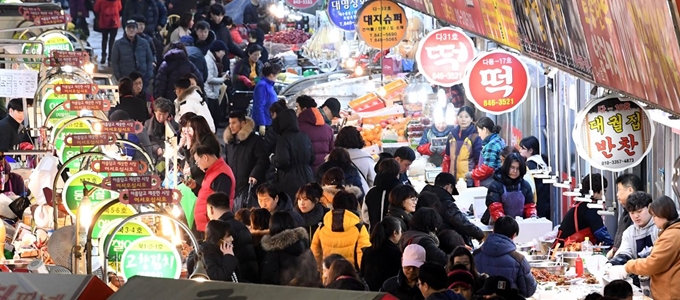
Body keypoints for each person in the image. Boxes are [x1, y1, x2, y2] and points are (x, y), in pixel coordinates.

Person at [474, 216, 537, 297]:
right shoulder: (519, 260)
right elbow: (528, 291)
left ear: (493, 231)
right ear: (513, 235)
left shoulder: (475, 254)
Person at [311, 191, 371, 271]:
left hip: (328, 275)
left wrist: (321, 271)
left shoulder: (322, 227)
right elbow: (363, 255)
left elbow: (315, 251)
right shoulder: (359, 228)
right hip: (351, 276)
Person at [206, 193, 258, 283]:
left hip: (237, 280)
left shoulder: (221, 231)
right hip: (250, 275)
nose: (231, 239)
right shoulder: (241, 225)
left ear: (211, 209)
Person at [422, 172, 484, 246]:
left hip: (431, 240)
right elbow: (462, 223)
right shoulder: (446, 203)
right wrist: (480, 234)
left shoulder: (425, 197)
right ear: (448, 186)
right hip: (447, 242)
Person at [223, 111, 269, 210]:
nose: (231, 126)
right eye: (230, 123)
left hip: (250, 188)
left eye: (234, 123)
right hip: (234, 188)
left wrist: (255, 174)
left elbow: (262, 160)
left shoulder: (255, 140)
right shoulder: (230, 143)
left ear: (243, 123)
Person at [260, 212, 320, 285]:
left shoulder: (274, 252)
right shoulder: (304, 245)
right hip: (310, 291)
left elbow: (269, 279)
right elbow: (314, 272)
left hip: (284, 294)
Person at [555, 174, 614, 246]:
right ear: (594, 193)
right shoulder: (590, 207)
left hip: (561, 245)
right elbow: (600, 233)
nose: (604, 195)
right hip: (569, 247)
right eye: (603, 191)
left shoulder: (580, 203)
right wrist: (613, 246)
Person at [271, 109, 315, 200]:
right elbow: (312, 158)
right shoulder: (305, 136)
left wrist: (272, 158)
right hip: (307, 175)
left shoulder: (283, 139)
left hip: (289, 179)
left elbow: (282, 161)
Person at [482, 153, 536, 225]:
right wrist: (506, 225)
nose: (515, 171)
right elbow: (495, 209)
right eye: (512, 167)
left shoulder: (525, 185)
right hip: (499, 226)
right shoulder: (496, 186)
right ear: (506, 167)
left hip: (521, 226)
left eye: (518, 168)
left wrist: (532, 217)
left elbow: (530, 206)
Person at [193, 144, 236, 232]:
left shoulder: (221, 174)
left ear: (205, 157)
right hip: (206, 225)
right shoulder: (212, 172)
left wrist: (215, 230)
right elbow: (207, 195)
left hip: (212, 228)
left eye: (197, 162)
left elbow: (220, 205)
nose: (197, 165)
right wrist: (195, 187)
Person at [610, 192, 658, 266]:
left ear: (650, 208)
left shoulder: (659, 227)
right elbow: (624, 253)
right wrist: (611, 264)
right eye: (632, 213)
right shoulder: (629, 233)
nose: (636, 216)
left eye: (639, 211)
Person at [441, 106, 482, 186]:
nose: (463, 120)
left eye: (466, 117)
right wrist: (445, 177)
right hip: (452, 180)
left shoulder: (476, 136)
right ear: (457, 118)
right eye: (461, 116)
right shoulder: (451, 134)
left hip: (468, 180)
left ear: (471, 119)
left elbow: (478, 161)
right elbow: (447, 157)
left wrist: (476, 181)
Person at [361, 216, 403, 291]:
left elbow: (363, 273)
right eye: (400, 232)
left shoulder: (368, 251)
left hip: (370, 294)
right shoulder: (396, 253)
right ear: (395, 233)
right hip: (388, 293)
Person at [295, 95, 334, 171]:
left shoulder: (297, 127)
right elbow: (332, 152)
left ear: (304, 109)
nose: (296, 111)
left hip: (304, 174)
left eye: (297, 108)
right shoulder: (328, 128)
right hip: (323, 172)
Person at [609, 174, 644, 258]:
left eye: (619, 189)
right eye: (632, 213)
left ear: (630, 190)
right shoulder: (625, 212)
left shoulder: (643, 218)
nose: (617, 194)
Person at [111, 20, 154, 88]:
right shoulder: (118, 44)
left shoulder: (144, 43)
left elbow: (149, 59)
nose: (131, 30)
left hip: (143, 79)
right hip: (126, 79)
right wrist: (119, 78)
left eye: (133, 28)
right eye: (129, 28)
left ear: (136, 29)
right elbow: (114, 62)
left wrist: (148, 75)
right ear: (125, 29)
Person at [466, 117, 505, 187]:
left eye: (479, 131)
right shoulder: (499, 140)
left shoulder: (491, 145)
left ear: (484, 129)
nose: (479, 134)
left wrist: (472, 174)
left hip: (492, 182)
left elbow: (488, 168)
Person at [363, 158, 402, 227]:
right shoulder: (400, 192)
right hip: (395, 233)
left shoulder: (371, 191)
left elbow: (365, 216)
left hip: (374, 232)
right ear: (397, 173)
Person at [519, 136, 551, 219]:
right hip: (547, 201)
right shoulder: (542, 161)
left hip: (537, 202)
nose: (520, 151)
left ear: (530, 150)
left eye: (523, 148)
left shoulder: (530, 165)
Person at [204, 40, 229, 127]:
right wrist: (222, 79)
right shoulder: (209, 61)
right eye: (223, 51)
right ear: (216, 51)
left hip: (212, 93)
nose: (224, 53)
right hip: (210, 94)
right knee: (213, 120)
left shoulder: (212, 60)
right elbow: (209, 79)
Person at [252, 63, 281, 134]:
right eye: (277, 75)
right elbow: (259, 106)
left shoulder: (268, 85)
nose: (277, 77)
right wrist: (262, 124)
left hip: (269, 120)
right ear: (271, 75)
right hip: (265, 122)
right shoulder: (262, 86)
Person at [94, 0, 122, 65]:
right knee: (112, 40)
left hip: (104, 21)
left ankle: (103, 55)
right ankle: (110, 58)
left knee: (104, 38)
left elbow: (96, 9)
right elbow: (120, 8)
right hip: (114, 21)